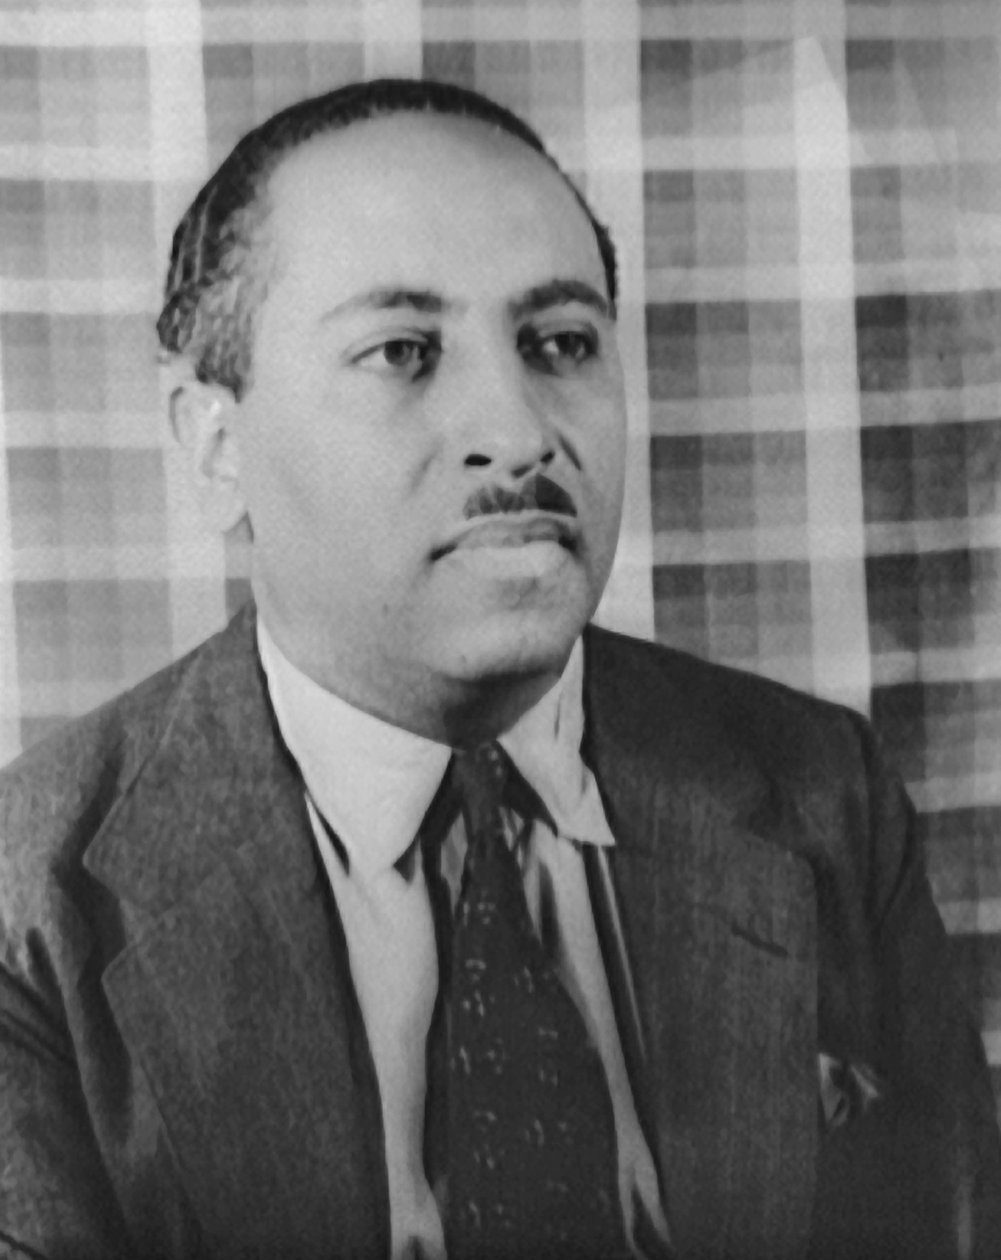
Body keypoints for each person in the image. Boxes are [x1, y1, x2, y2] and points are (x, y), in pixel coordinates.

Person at [0, 77, 998, 1260]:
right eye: (402, 352)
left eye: (560, 343)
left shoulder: (821, 791)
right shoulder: (34, 908)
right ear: (215, 445)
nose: (519, 435)